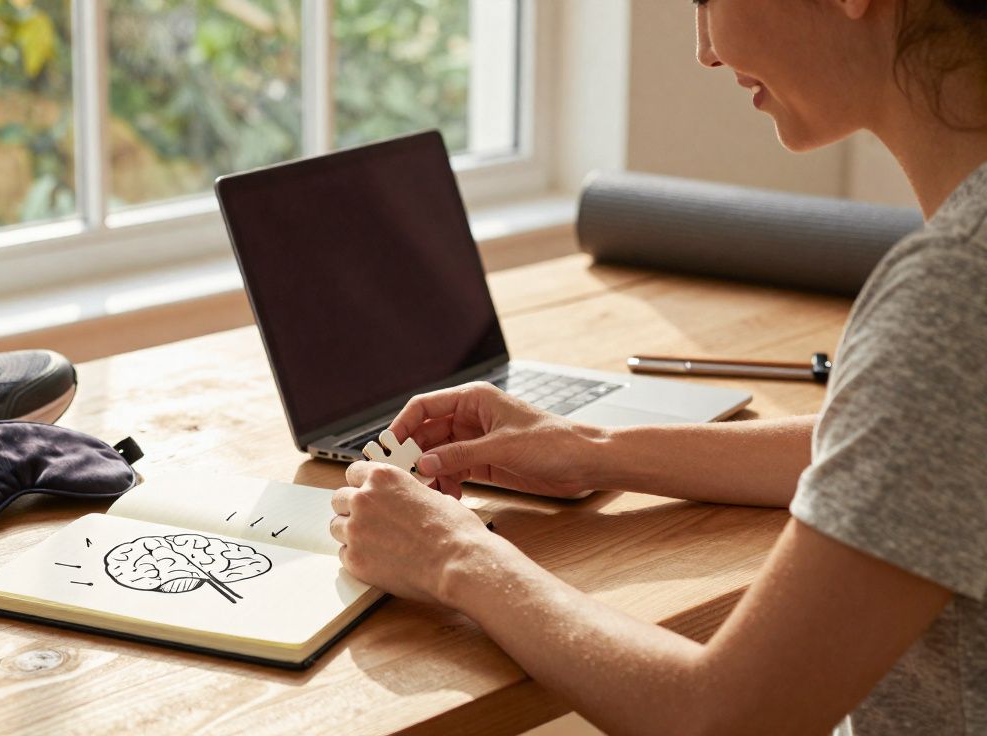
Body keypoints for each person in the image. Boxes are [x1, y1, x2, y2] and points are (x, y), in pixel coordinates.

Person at [329, 1, 987, 733]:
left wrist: (454, 555)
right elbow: (915, 450)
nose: (705, 49)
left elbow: (725, 717)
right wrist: (590, 449)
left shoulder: (954, 293)